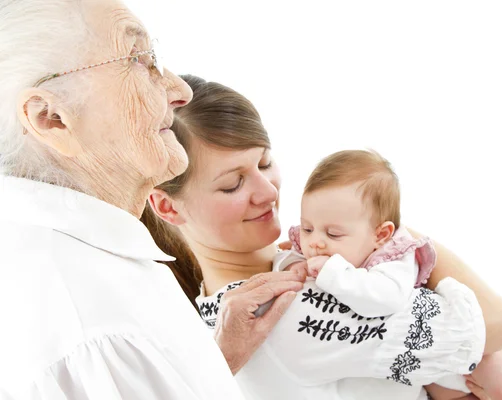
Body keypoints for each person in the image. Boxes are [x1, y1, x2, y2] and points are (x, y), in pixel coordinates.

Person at [143, 75, 502, 400]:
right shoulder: (286, 308)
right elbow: (499, 324)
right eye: (232, 184)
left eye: (264, 163)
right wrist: (402, 238)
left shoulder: (231, 300)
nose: (269, 192)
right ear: (168, 207)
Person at [0, 1, 304, 398]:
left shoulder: (84, 271)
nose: (180, 90)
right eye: (137, 60)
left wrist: (216, 361)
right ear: (51, 118)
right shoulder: (96, 331)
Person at [275, 149, 502, 400]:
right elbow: (292, 257)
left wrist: (332, 272)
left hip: (477, 351)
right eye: (307, 227)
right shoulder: (328, 249)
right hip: (432, 370)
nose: (315, 242)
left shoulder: (395, 257)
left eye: (333, 232)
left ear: (381, 234)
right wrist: (292, 263)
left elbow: (382, 300)